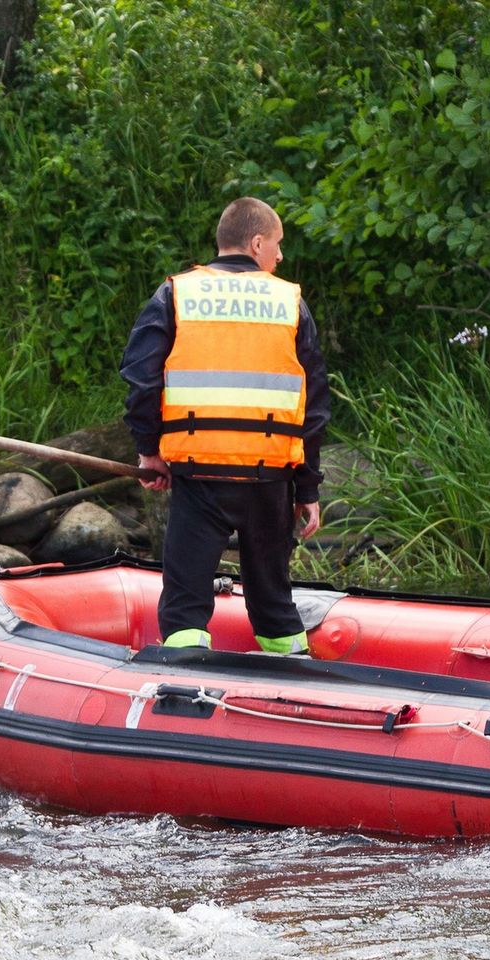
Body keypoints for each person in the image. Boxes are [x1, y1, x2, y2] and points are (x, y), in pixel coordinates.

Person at [120, 196, 330, 653]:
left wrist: (149, 449)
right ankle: (296, 691)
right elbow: (311, 405)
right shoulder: (289, 302)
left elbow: (141, 379)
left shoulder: (176, 293)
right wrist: (308, 488)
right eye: (277, 245)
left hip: (199, 477)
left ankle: (182, 699)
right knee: (275, 605)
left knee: (184, 608)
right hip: (269, 481)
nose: (280, 256)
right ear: (256, 242)